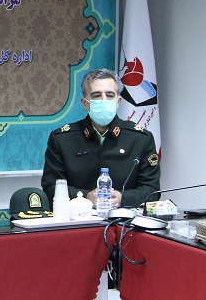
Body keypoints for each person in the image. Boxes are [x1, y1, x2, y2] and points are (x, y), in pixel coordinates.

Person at [41, 68, 161, 209]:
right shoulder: (62, 139)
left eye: (110, 95)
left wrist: (122, 198)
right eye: (96, 95)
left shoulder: (141, 139)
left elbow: (151, 189)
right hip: (78, 218)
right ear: (85, 103)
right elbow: (51, 186)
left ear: (118, 101)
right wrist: (86, 197)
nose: (104, 100)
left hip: (125, 218)